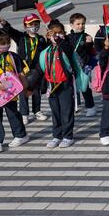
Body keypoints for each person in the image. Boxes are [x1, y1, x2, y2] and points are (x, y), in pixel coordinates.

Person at [0, 13, 48, 124]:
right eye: (31, 24)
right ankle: (24, 114)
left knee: (36, 91)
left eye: (36, 24)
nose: (34, 26)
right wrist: (4, 23)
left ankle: (37, 111)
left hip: (37, 70)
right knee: (23, 91)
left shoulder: (41, 39)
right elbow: (11, 31)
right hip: (23, 70)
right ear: (25, 26)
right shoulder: (21, 37)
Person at [37, 20, 78, 148]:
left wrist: (59, 40)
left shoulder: (66, 47)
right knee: (55, 112)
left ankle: (68, 136)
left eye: (60, 33)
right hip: (51, 85)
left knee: (66, 111)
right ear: (48, 35)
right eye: (53, 33)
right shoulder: (45, 51)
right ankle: (57, 136)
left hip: (65, 84)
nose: (57, 35)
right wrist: (30, 85)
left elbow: (67, 49)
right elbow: (39, 70)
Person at [67, 13, 97, 117]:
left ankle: (91, 107)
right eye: (78, 24)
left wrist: (89, 44)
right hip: (70, 65)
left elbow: (91, 52)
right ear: (71, 25)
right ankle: (74, 105)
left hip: (83, 66)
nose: (81, 26)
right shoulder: (68, 38)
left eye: (83, 24)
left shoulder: (86, 37)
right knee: (71, 87)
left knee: (84, 87)